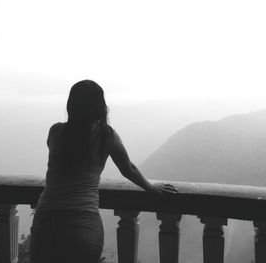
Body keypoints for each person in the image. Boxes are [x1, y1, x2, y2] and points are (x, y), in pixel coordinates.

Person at [29, 80, 178, 263]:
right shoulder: (106, 136)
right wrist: (153, 188)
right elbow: (128, 169)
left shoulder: (55, 132)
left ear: (71, 105)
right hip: (82, 223)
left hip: (45, 222)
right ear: (100, 107)